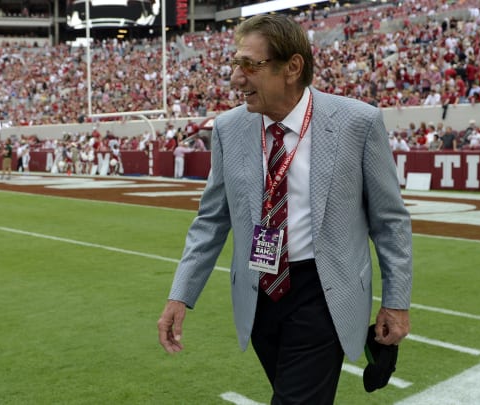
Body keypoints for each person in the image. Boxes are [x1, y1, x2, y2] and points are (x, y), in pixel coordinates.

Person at [157, 14, 413, 404]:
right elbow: (211, 220)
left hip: (324, 292)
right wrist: (180, 295)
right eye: (235, 65)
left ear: (292, 67)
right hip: (260, 292)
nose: (236, 79)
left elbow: (389, 220)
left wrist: (396, 302)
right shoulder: (229, 128)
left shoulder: (357, 122)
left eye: (249, 65)